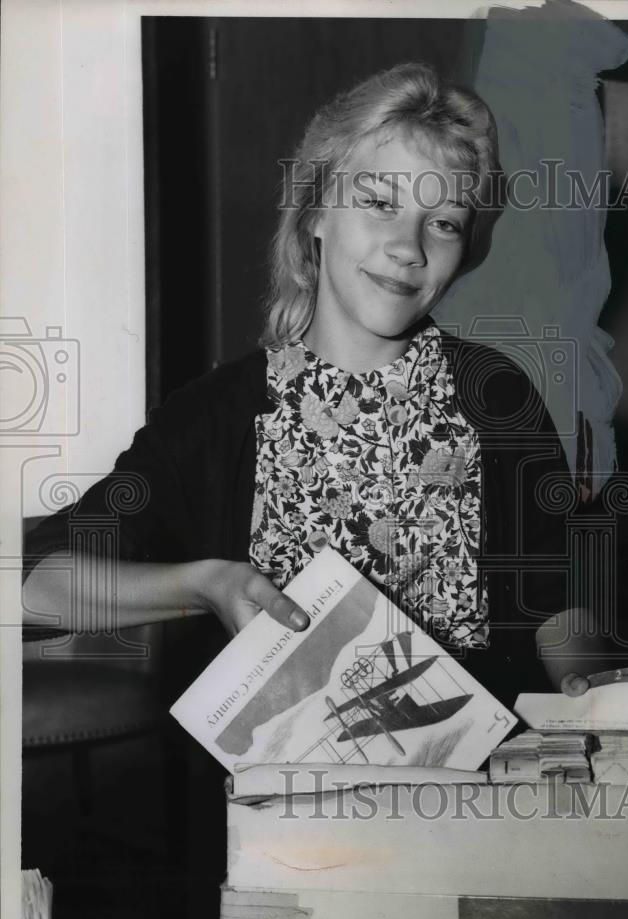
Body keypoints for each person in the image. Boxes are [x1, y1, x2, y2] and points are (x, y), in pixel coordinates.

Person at [23, 62, 592, 704]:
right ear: (317, 211)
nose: (408, 246)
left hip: (476, 789)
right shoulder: (218, 416)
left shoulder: (498, 395)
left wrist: (589, 685)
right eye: (380, 203)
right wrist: (207, 584)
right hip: (287, 794)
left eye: (444, 222)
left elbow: (559, 605)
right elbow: (30, 582)